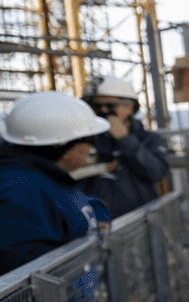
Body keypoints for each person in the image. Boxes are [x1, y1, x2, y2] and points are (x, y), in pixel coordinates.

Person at [0, 91, 111, 274]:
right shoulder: (22, 191)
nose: (92, 148)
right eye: (89, 140)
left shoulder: (44, 177)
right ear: (62, 146)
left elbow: (66, 203)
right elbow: (30, 275)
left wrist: (97, 211)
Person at [80, 74, 169, 218]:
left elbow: (155, 172)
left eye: (110, 106)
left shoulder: (150, 140)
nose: (103, 111)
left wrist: (125, 139)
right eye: (96, 106)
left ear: (129, 107)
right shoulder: (84, 141)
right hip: (96, 223)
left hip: (141, 220)